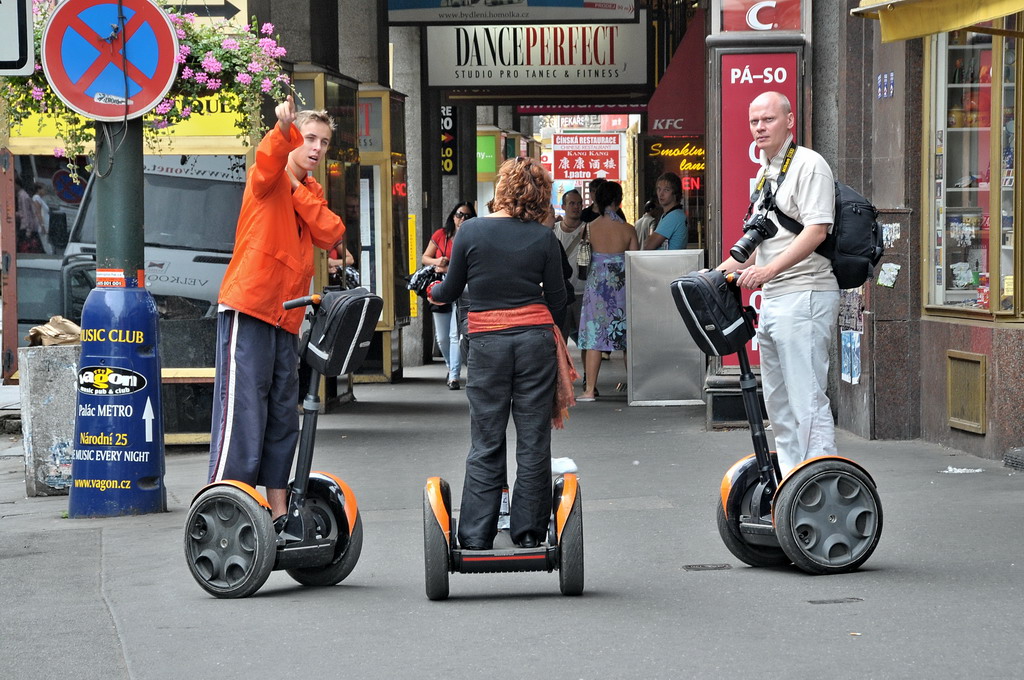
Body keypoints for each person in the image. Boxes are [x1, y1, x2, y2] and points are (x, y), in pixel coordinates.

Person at [207, 96, 344, 524]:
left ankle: (279, 511)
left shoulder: (309, 190)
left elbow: (331, 233)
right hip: (250, 307)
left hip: (287, 317)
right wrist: (282, 132)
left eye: (323, 141)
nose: (317, 148)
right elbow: (268, 159)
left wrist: (297, 190)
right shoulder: (267, 177)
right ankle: (227, 505)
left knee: (284, 415)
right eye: (309, 138)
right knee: (244, 410)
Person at [428, 157, 573, 550]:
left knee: (487, 439)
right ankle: (529, 534)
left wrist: (428, 289)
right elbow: (560, 300)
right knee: (533, 439)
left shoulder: (470, 231)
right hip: (534, 343)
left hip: (487, 344)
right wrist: (543, 325)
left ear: (502, 189)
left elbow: (450, 290)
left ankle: (475, 535)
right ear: (539, 194)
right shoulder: (544, 239)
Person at [714, 90, 838, 476]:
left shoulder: (809, 165)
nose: (759, 127)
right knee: (779, 404)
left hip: (806, 295)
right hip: (774, 301)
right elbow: (760, 246)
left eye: (768, 119)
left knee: (807, 401)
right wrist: (712, 276)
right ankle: (791, 484)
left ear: (789, 121)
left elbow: (817, 230)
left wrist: (767, 273)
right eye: (754, 121)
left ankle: (821, 480)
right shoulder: (767, 171)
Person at [577, 180, 638, 401]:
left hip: (596, 288)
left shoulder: (589, 228)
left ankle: (589, 390)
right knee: (626, 338)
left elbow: (584, 259)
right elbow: (635, 262)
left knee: (595, 338)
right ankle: (634, 388)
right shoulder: (628, 229)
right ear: (618, 200)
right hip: (621, 289)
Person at [422, 201, 476, 389]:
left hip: (464, 289)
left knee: (455, 334)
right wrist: (438, 261)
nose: (462, 219)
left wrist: (453, 266)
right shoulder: (441, 235)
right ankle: (450, 366)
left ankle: (454, 375)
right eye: (460, 214)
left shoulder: (474, 236)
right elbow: (425, 258)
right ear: (453, 216)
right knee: (442, 338)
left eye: (468, 216)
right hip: (442, 286)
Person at [553, 189, 586, 344]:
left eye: (579, 203)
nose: (576, 207)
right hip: (562, 295)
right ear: (563, 206)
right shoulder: (553, 231)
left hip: (583, 294)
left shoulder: (589, 229)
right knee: (560, 341)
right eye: (572, 203)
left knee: (586, 341)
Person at [643, 172, 687, 250]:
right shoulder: (669, 214)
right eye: (659, 189)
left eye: (666, 190)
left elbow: (648, 246)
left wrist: (650, 239)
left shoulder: (674, 216)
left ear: (675, 193)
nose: (661, 194)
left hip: (669, 261)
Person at [32, 182, 53, 254]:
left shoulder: (40, 199)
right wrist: (42, 226)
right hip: (42, 225)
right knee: (46, 243)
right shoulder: (36, 198)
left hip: (46, 224)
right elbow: (38, 213)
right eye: (43, 189)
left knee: (47, 241)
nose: (45, 191)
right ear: (38, 190)